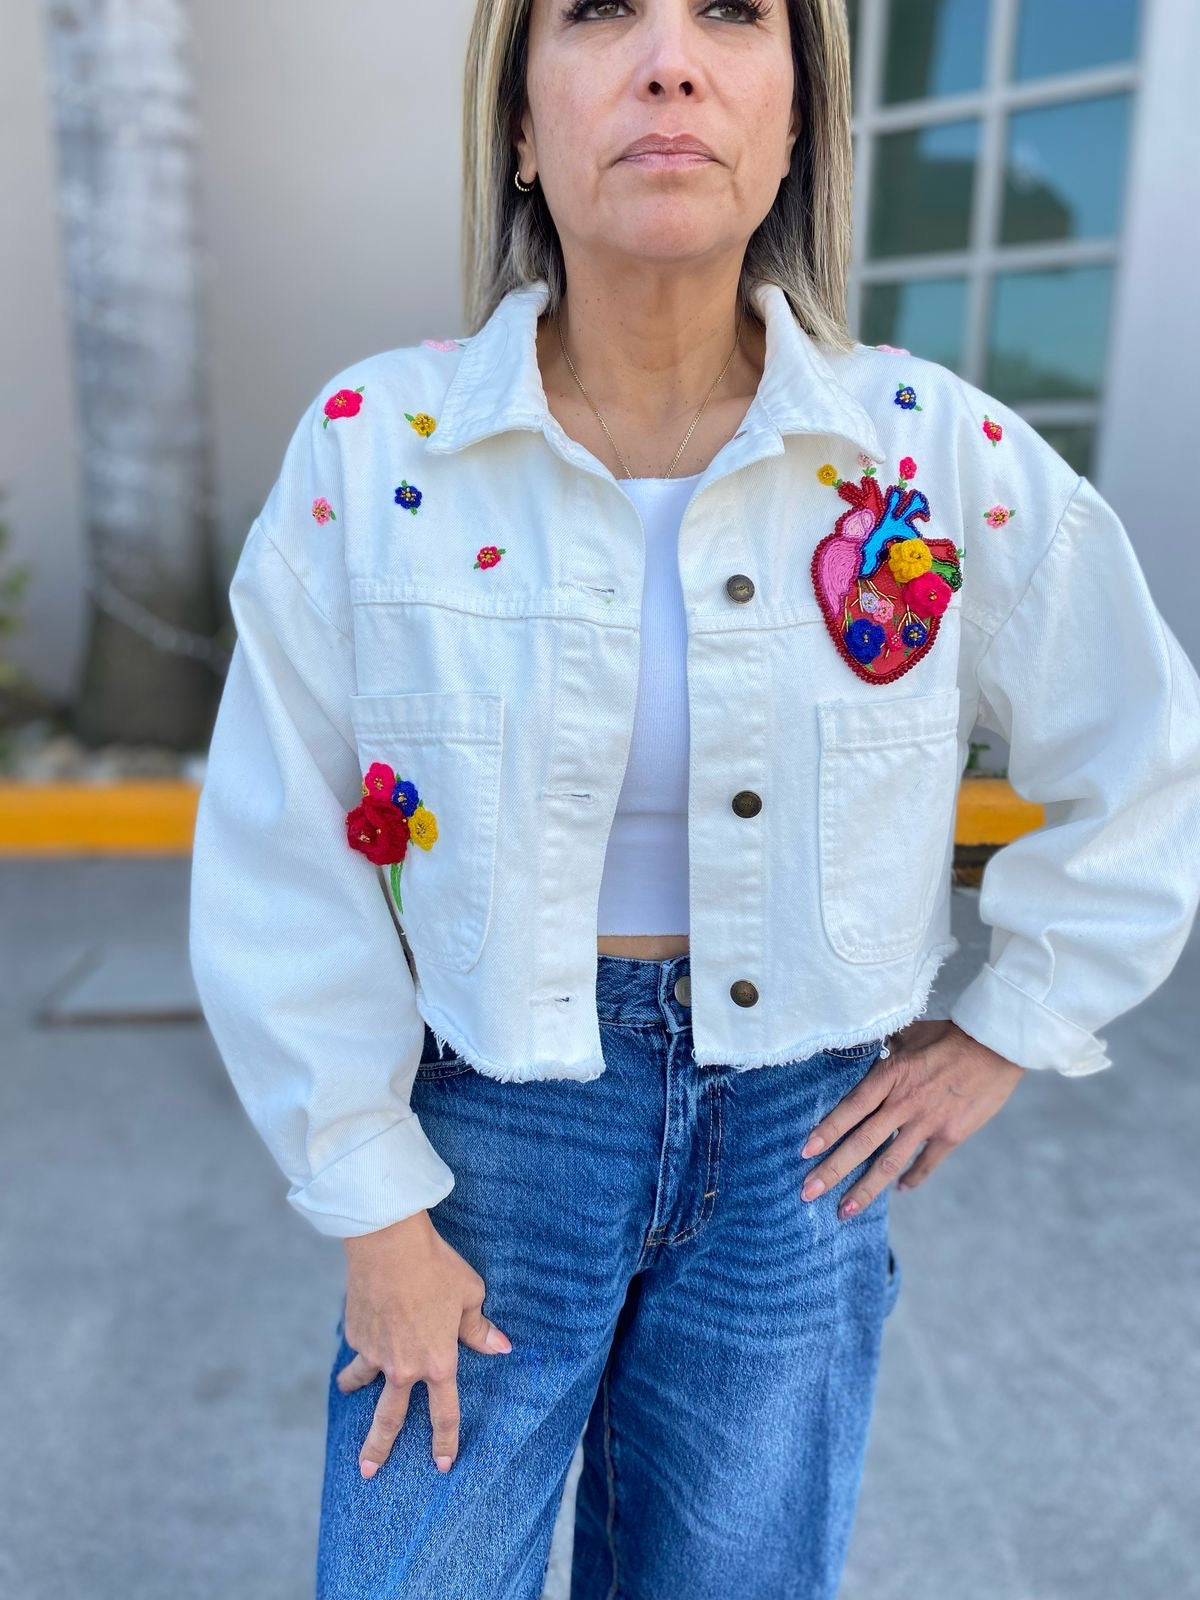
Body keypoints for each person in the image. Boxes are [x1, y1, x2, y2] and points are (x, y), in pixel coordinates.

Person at [188, 1, 1200, 1596]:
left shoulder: (925, 458)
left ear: (799, 118)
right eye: (600, 15)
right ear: (519, 124)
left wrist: (1009, 1029)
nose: (669, 61)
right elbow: (275, 852)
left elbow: (1147, 753)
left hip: (803, 1151)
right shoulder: (382, 450)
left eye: (730, 15)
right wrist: (371, 1206)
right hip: (489, 1144)